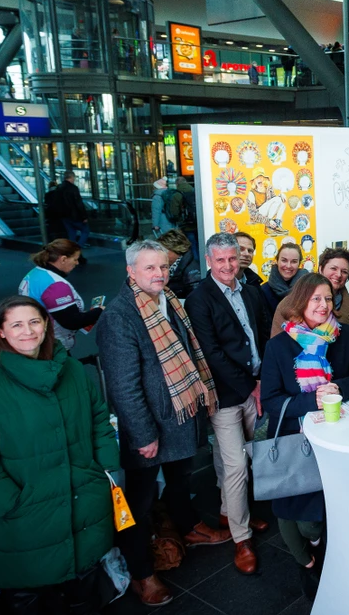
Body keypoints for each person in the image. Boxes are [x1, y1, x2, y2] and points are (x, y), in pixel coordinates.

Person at [0, 296, 119, 612]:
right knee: (30, 600)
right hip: (26, 518)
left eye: (34, 321)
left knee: (84, 594)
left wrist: (105, 470)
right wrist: (11, 503)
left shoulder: (72, 369)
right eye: (16, 324)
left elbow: (99, 419)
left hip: (84, 503)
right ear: (1, 332)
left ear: (46, 325)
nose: (27, 331)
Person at [96, 240, 231, 606]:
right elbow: (123, 387)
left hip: (179, 414)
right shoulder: (120, 316)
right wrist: (142, 435)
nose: (159, 274)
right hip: (150, 426)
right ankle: (142, 573)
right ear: (130, 272)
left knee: (179, 478)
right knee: (139, 504)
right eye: (150, 268)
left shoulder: (167, 298)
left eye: (163, 267)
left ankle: (188, 528)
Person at [262, 273, 349, 597]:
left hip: (336, 436)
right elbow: (270, 400)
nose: (323, 305)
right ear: (300, 303)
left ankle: (317, 544)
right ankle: (306, 564)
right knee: (289, 506)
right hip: (295, 438)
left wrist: (339, 388)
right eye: (315, 299)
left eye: (327, 298)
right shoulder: (279, 345)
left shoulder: (343, 336)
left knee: (314, 517)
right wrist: (311, 400)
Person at [184, 233, 273, 574]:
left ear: (240, 259)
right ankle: (241, 536)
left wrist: (264, 378)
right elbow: (212, 354)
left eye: (232, 259)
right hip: (225, 395)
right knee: (235, 465)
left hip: (255, 386)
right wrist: (252, 385)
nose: (227, 266)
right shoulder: (199, 299)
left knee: (242, 454)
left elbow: (263, 335)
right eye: (219, 260)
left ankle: (230, 510)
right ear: (209, 261)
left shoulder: (250, 291)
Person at [273, 247, 349, 348]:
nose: (338, 275)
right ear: (321, 269)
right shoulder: (289, 303)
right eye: (333, 268)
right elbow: (277, 348)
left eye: (344, 272)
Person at [19, 239, 103, 351]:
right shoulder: (56, 285)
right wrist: (99, 311)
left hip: (35, 339)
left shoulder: (35, 273)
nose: (77, 263)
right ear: (63, 259)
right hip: (52, 345)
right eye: (75, 259)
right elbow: (72, 322)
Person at [262, 242, 309, 313]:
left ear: (299, 264)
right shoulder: (263, 291)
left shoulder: (308, 288)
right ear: (277, 261)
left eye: (294, 261)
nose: (288, 266)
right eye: (284, 260)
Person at [159, 229, 203, 299]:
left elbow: (196, 300)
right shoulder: (174, 267)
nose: (161, 254)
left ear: (176, 249)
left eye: (164, 251)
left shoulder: (192, 272)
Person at [59, 171, 90, 249]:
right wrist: (84, 216)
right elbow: (78, 203)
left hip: (64, 216)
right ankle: (77, 248)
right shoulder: (73, 188)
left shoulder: (59, 188)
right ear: (72, 177)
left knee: (71, 233)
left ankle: (71, 250)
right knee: (85, 230)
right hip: (75, 215)